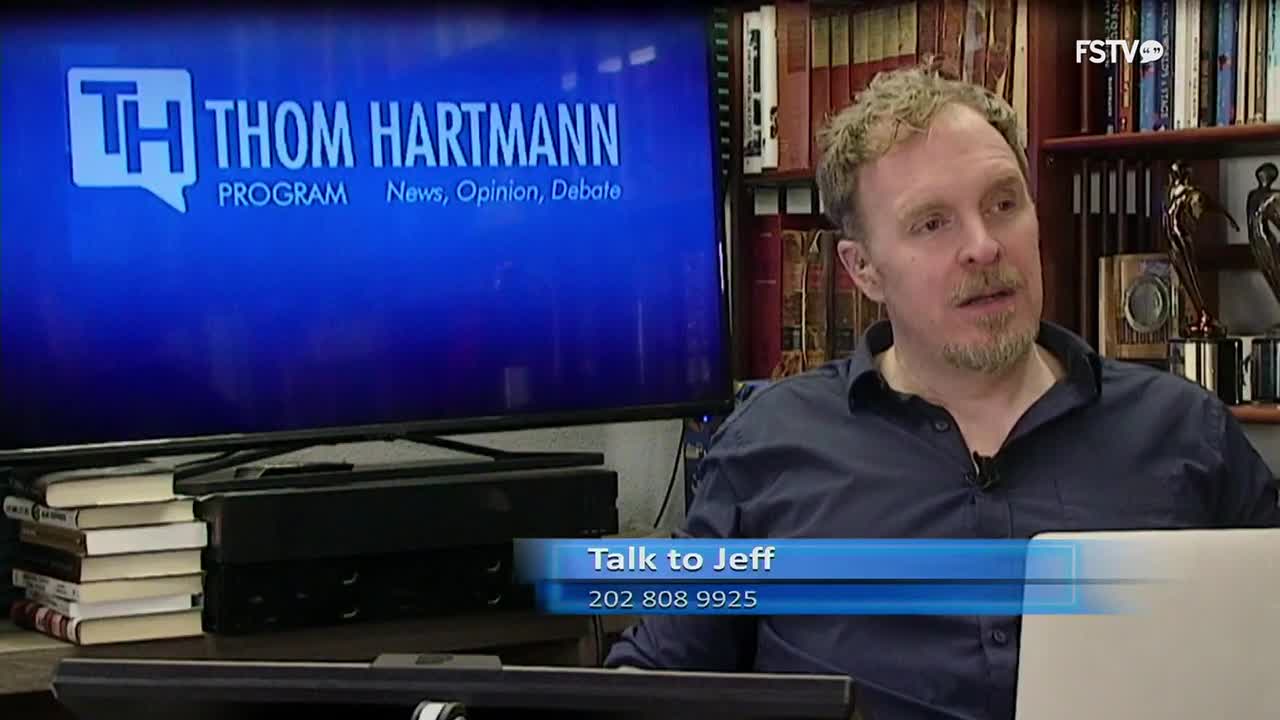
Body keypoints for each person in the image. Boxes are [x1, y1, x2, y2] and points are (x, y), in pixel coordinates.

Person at [603, 62, 1280, 720]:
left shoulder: (1186, 433)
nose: (985, 247)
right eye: (933, 223)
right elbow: (653, 678)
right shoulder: (768, 444)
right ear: (863, 268)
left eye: (1004, 204)